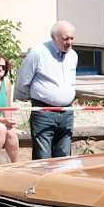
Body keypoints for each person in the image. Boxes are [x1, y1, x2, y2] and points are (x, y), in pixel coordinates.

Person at [15, 20, 78, 159]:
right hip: (44, 112)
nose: (69, 42)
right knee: (42, 158)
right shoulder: (38, 53)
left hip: (67, 112)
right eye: (65, 38)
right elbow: (23, 82)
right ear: (54, 37)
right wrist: (39, 97)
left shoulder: (73, 55)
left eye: (72, 38)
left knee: (64, 158)